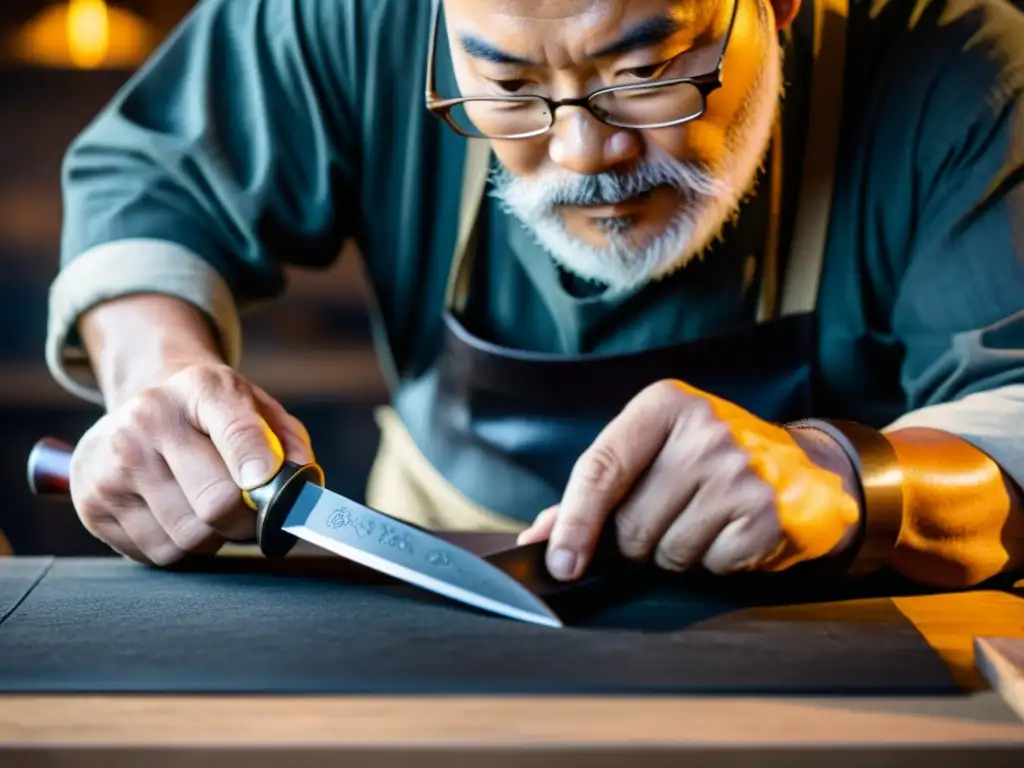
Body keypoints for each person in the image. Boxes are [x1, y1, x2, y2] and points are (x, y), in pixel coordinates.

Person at [46, 0, 1024, 588]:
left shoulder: (965, 68)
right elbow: (156, 183)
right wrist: (155, 382)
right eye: (506, 86)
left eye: (645, 73)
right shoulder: (353, 15)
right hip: (432, 579)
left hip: (837, 625)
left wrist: (849, 481)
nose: (582, 152)